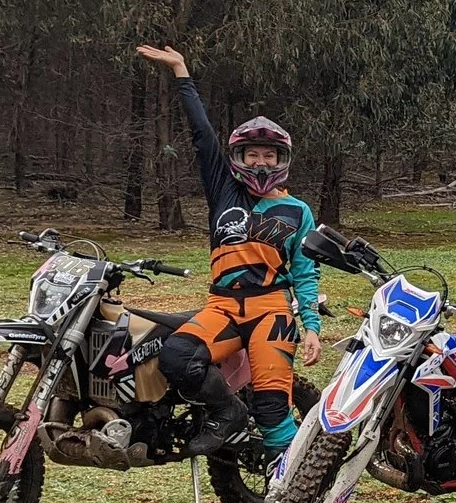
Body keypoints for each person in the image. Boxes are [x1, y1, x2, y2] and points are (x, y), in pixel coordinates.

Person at [132, 46, 322, 469]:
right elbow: (202, 134)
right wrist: (182, 72)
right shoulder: (224, 191)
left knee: (274, 408)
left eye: (268, 155)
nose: (260, 162)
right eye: (251, 154)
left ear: (281, 160)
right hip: (222, 305)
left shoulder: (298, 211)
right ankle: (227, 412)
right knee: (177, 357)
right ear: (238, 158)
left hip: (271, 308)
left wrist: (312, 326)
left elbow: (306, 272)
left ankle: (289, 501)